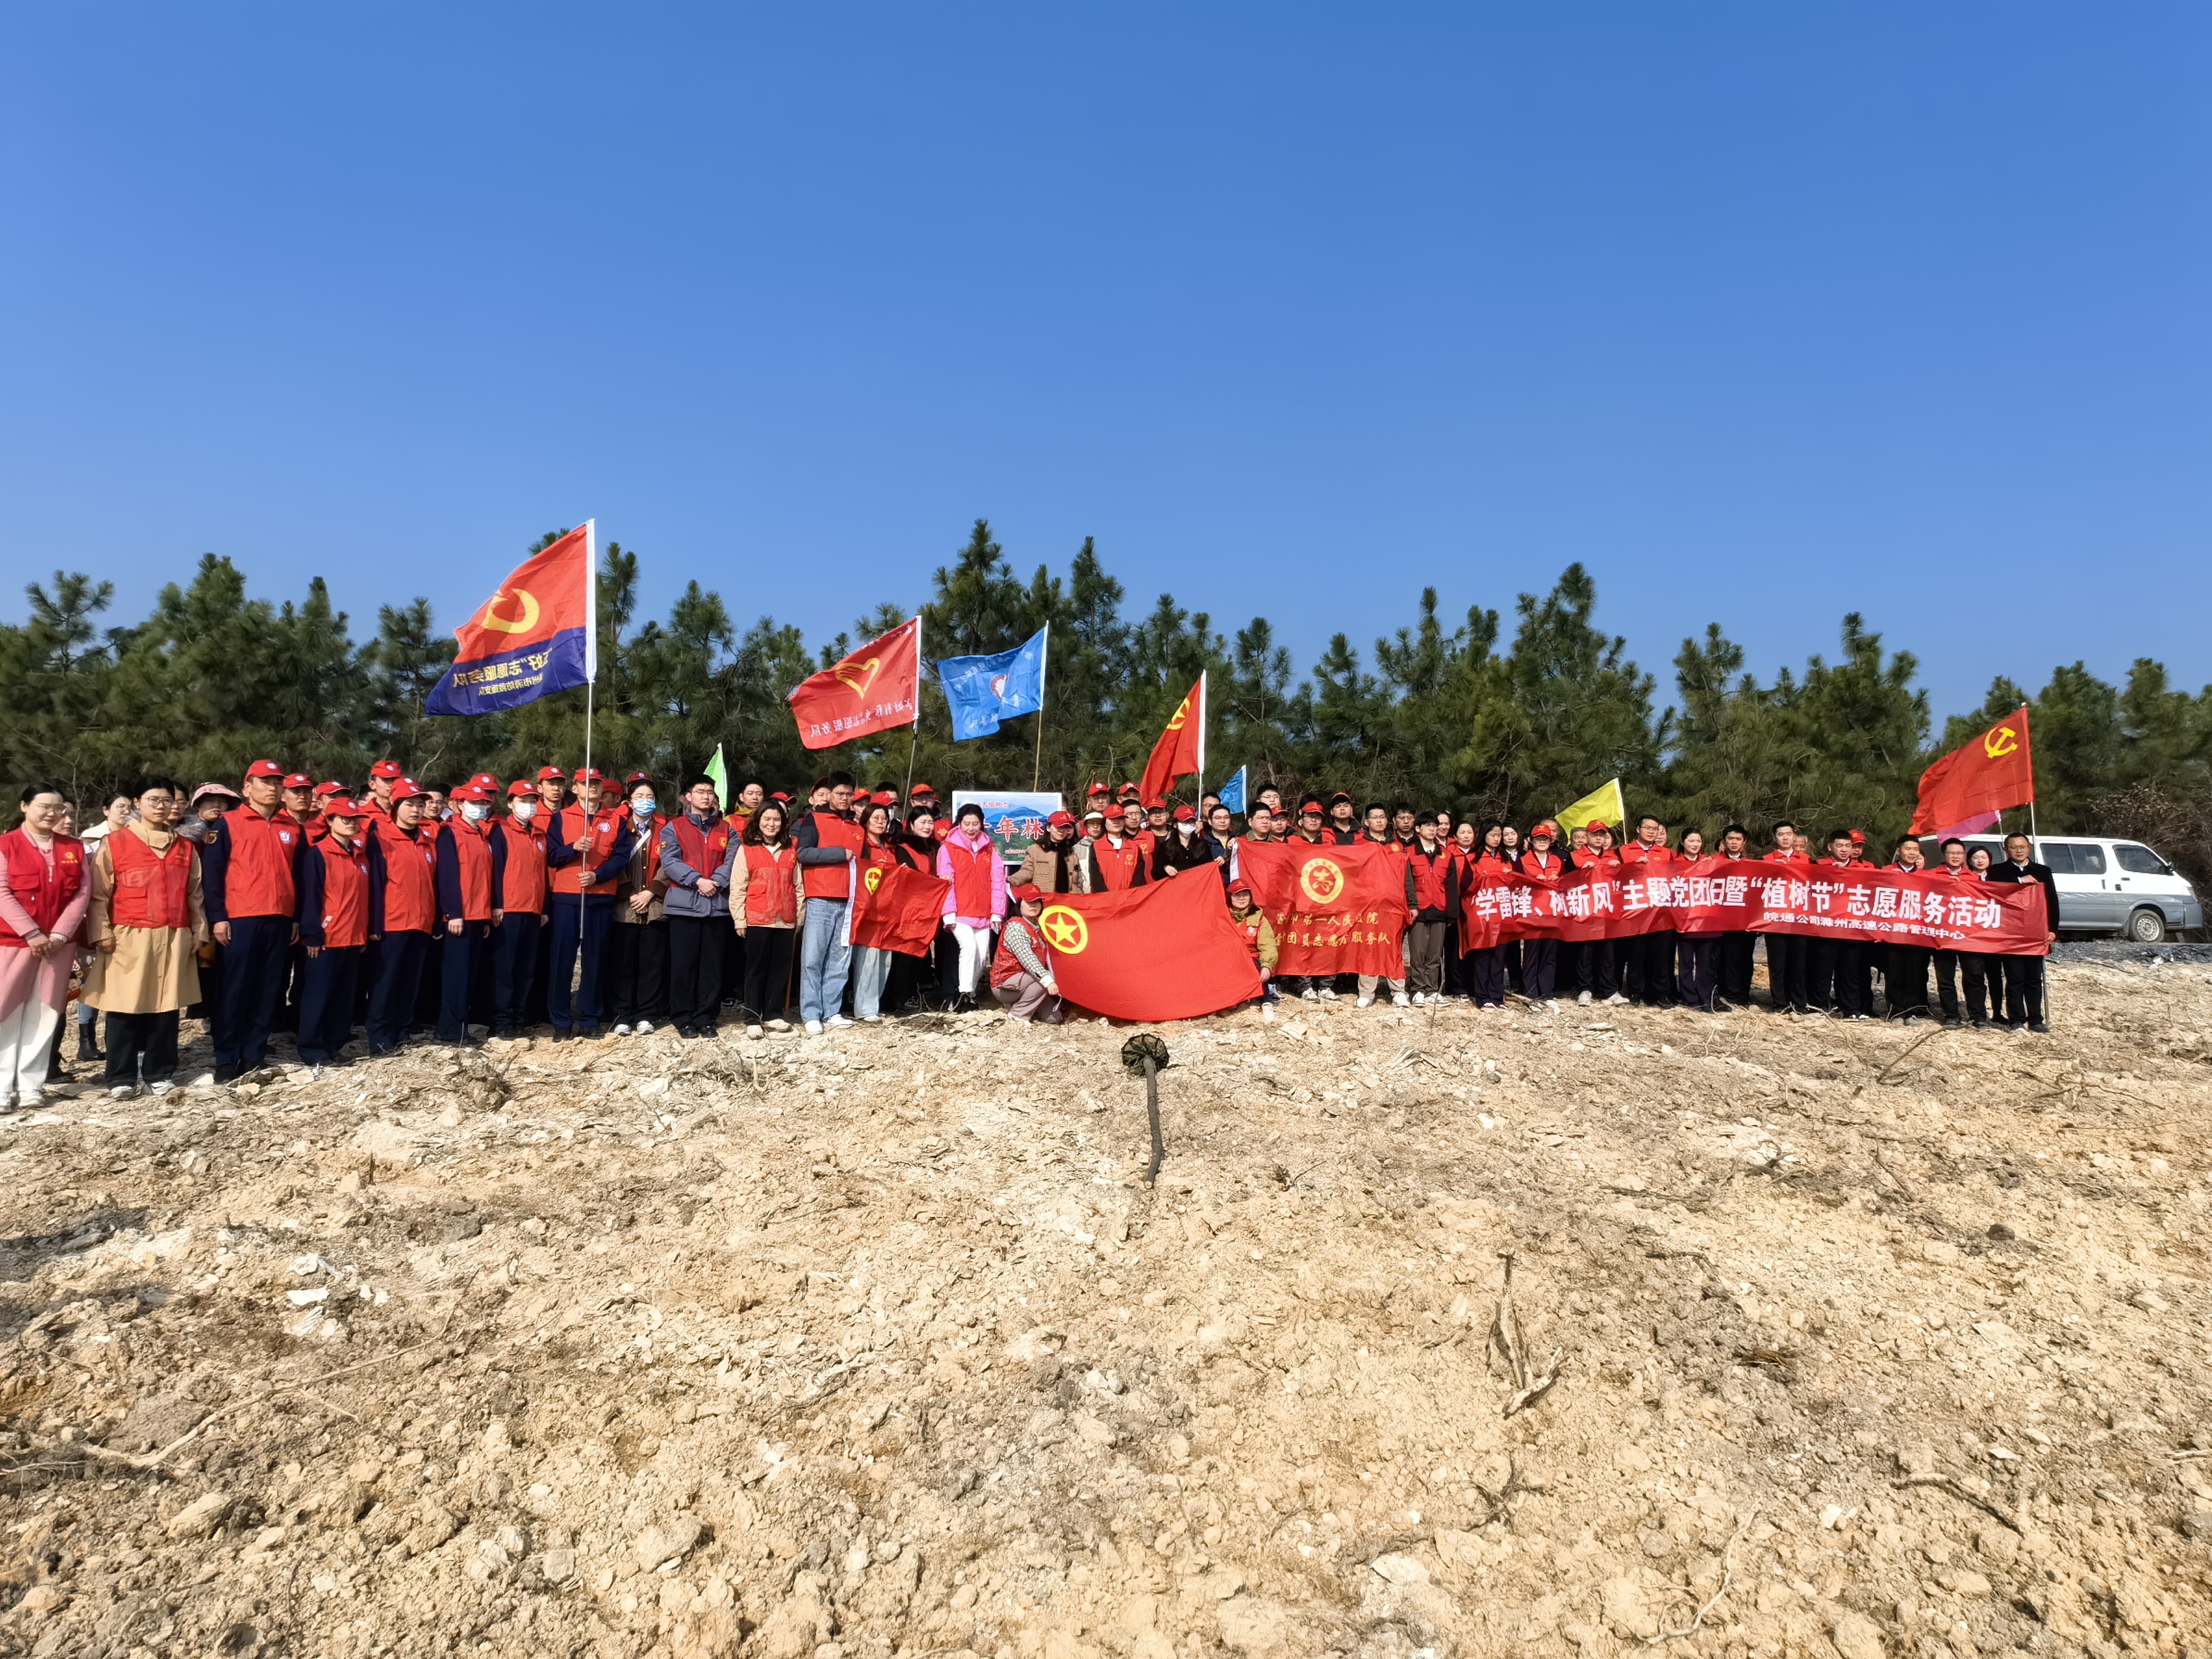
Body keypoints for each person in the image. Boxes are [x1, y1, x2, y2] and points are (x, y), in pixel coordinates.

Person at [82, 777, 204, 1097]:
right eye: (154, 800)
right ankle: (121, 1077)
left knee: (167, 1005)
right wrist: (101, 931)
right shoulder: (116, 843)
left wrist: (199, 931)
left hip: (174, 933)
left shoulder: (185, 848)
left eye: (168, 801)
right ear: (138, 803)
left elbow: (194, 894)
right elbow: (99, 893)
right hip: (128, 934)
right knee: (124, 1006)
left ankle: (160, 1072)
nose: (162, 807)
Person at [199, 760, 307, 1082]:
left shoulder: (292, 827)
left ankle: (254, 1053)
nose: (273, 788)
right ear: (248, 788)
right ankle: (226, 1056)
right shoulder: (228, 824)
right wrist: (218, 917)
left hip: (280, 918)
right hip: (240, 918)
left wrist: (296, 917)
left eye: (277, 782)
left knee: (268, 989)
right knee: (234, 988)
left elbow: (300, 876)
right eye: (265, 782)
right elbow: (213, 875)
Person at [0, 785, 88, 1109]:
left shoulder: (75, 848)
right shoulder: (6, 845)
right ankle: (2, 1086)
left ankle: (31, 1085)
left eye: (58, 808)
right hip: (14, 943)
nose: (52, 814)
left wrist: (61, 935)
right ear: (25, 807)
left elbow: (82, 894)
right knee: (6, 1010)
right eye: (44, 806)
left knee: (46, 1011)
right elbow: (2, 893)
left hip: (59, 946)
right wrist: (32, 933)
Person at [544, 768, 632, 1041]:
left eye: (596, 783)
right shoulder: (561, 818)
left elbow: (621, 856)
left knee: (595, 959)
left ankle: (590, 1018)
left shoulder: (615, 819)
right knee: (562, 960)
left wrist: (598, 876)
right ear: (575, 788)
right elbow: (551, 855)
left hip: (600, 896)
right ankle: (560, 1020)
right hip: (568, 896)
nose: (591, 787)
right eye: (585, 783)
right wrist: (573, 849)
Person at [296, 799, 378, 1068]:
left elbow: (364, 898)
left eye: (355, 819)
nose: (352, 824)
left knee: (343, 997)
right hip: (327, 937)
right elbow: (311, 896)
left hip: (353, 936)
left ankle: (334, 1045)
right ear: (330, 821)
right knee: (319, 996)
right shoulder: (319, 853)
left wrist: (363, 932)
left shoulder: (360, 854)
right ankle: (312, 1048)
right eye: (345, 819)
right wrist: (313, 933)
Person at [659, 773, 735, 1039]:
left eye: (710, 792)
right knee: (684, 965)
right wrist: (697, 881)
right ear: (688, 797)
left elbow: (732, 860)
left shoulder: (727, 829)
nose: (706, 796)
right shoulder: (674, 828)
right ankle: (683, 1017)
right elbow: (670, 862)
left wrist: (716, 881)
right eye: (700, 791)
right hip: (684, 905)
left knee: (712, 966)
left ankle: (706, 1017)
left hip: (716, 906)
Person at [365, 780, 438, 1054]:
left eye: (420, 805)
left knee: (410, 981)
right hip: (392, 922)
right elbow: (375, 884)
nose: (416, 810)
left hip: (421, 921)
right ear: (395, 806)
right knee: (386, 982)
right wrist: (374, 924)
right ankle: (380, 1036)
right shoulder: (381, 839)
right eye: (409, 804)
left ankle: (402, 1031)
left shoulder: (427, 841)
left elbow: (433, 882)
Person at [432, 784, 502, 1045]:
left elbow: (485, 877)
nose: (480, 808)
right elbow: (448, 876)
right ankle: (450, 1029)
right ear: (460, 805)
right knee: (457, 975)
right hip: (460, 917)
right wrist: (453, 913)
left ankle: (461, 1025)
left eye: (484, 803)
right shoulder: (450, 833)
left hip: (478, 914)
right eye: (475, 803)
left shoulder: (481, 834)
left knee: (470, 975)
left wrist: (485, 914)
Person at [795, 771, 864, 1036]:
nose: (845, 798)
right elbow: (804, 853)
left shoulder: (858, 828)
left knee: (840, 959)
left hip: (849, 901)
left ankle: (832, 1011)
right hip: (821, 897)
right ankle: (811, 1013)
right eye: (840, 794)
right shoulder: (814, 819)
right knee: (813, 958)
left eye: (849, 794)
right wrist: (838, 854)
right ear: (830, 795)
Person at [608, 776, 671, 1036]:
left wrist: (651, 892)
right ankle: (622, 1014)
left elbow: (670, 863)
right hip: (625, 906)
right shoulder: (619, 827)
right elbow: (611, 861)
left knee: (651, 963)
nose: (645, 802)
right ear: (630, 801)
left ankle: (646, 1014)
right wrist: (631, 893)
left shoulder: (665, 829)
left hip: (655, 905)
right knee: (623, 963)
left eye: (650, 797)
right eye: (639, 797)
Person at [731, 801, 799, 1036]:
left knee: (780, 970)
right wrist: (740, 919)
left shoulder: (791, 850)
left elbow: (798, 886)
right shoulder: (747, 849)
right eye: (767, 819)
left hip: (785, 919)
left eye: (777, 820)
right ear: (758, 821)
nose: (772, 824)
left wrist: (799, 917)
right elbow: (738, 887)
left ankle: (773, 1014)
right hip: (757, 918)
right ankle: (752, 1017)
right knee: (756, 969)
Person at [489, 782, 547, 1040]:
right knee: (505, 968)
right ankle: (502, 1020)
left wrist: (544, 907)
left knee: (526, 968)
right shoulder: (501, 831)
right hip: (509, 909)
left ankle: (519, 1018)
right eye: (523, 801)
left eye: (533, 801)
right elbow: (495, 869)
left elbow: (542, 873)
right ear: (511, 804)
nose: (529, 806)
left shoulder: (540, 835)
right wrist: (497, 903)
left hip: (533, 909)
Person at [936, 802, 1007, 1015]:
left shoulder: (990, 848)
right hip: (960, 912)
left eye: (975, 824)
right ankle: (964, 993)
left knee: (982, 955)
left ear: (981, 824)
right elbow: (946, 883)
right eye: (966, 823)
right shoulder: (948, 848)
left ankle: (970, 992)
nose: (971, 828)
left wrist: (997, 912)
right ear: (959, 823)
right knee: (968, 948)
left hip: (983, 913)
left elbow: (998, 881)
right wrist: (949, 913)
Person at [1984, 832, 2058, 1032]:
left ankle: (2036, 1019)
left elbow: (2052, 901)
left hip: (2036, 933)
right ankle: (2016, 1019)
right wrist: (2019, 881)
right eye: (2014, 847)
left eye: (2022, 847)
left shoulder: (2042, 871)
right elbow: (1993, 892)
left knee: (2034, 979)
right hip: (2011, 934)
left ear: (2029, 848)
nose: (2019, 850)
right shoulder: (1997, 871)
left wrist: (2052, 930)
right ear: (2006, 850)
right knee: (2015, 978)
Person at [849, 802, 907, 1023]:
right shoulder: (862, 846)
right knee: (868, 959)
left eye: (884, 818)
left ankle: (875, 1003)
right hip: (868, 910)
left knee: (885, 960)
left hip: (888, 910)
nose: (881, 822)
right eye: (876, 818)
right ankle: (864, 1008)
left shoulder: (889, 848)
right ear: (866, 821)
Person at [1807, 830, 1869, 1018]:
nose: (1844, 850)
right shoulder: (1819, 866)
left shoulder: (1864, 870)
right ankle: (1819, 1006)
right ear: (1830, 847)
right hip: (1826, 927)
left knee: (1850, 971)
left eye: (1848, 846)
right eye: (1840, 846)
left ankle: (1851, 1008)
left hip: (1852, 928)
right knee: (1823, 970)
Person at [1618, 815, 1677, 1008]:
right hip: (1636, 911)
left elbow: (1678, 877)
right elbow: (1615, 877)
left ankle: (1660, 993)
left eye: (1655, 829)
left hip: (1661, 912)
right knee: (1636, 953)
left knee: (1660, 955)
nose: (1652, 832)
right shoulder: (1624, 851)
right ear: (1638, 829)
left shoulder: (1667, 853)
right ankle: (1635, 991)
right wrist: (1631, 867)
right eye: (1648, 828)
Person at [1928, 838, 1987, 1027]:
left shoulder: (1974, 878)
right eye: (1951, 853)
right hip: (1943, 935)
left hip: (1969, 935)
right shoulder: (1931, 876)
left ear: (1964, 856)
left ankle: (1978, 1015)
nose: (1955, 857)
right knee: (1946, 978)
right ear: (1944, 855)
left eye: (1959, 853)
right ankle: (1951, 1015)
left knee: (1975, 976)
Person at [988, 885, 1063, 1024]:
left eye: (1037, 902)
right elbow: (1028, 960)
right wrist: (1049, 981)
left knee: (1054, 1018)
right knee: (1047, 977)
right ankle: (1018, 1015)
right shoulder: (1015, 927)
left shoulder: (1038, 927)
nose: (1033, 905)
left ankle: (1023, 1004)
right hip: (1005, 984)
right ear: (1019, 904)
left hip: (1028, 981)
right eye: (1029, 902)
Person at [1404, 812, 1455, 1006]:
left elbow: (1451, 886)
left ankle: (1432, 990)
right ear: (1418, 829)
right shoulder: (1409, 853)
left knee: (1434, 954)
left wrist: (1451, 913)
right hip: (1419, 909)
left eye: (1435, 826)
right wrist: (1411, 905)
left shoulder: (1446, 854)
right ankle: (1418, 989)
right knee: (1418, 953)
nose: (1432, 829)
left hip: (1439, 908)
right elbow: (1407, 882)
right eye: (1428, 826)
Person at [1760, 822, 1811, 1013]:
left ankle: (1798, 1002)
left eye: (1789, 834)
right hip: (1776, 920)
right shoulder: (1766, 860)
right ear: (1776, 838)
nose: (1786, 838)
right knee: (1777, 964)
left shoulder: (1806, 860)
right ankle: (1780, 1003)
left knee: (1799, 964)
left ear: (1794, 836)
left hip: (1799, 920)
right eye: (1781, 835)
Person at [1883, 835, 1934, 1019]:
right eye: (1908, 849)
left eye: (1915, 850)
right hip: (1893, 932)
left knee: (1914, 973)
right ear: (1899, 851)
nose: (1912, 853)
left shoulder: (1927, 877)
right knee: (1894, 972)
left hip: (1916, 933)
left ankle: (1911, 1011)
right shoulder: (1886, 872)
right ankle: (1895, 1011)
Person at [1514, 821, 1564, 1004]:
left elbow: (1566, 884)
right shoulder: (1523, 861)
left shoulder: (1557, 861)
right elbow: (1517, 883)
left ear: (1551, 841)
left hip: (1552, 912)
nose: (1542, 842)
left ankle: (1547, 992)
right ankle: (1531, 991)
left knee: (1549, 954)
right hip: (1532, 913)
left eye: (1545, 839)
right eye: (1538, 839)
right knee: (1531, 953)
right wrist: (1534, 880)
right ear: (1531, 841)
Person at [1576, 820, 1625, 1006]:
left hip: (1607, 912)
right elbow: (1567, 882)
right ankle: (1585, 989)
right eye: (1595, 834)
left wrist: (1619, 870)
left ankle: (1609, 990)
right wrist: (1581, 872)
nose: (1598, 838)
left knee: (1608, 953)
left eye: (1602, 835)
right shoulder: (1576, 857)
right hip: (1586, 912)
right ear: (1587, 836)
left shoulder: (1613, 857)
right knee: (1586, 953)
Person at [1671, 828, 1719, 1011]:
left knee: (1705, 963)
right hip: (1685, 921)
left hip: (1706, 921)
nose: (1695, 844)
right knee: (1686, 963)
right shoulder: (1675, 864)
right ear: (1683, 842)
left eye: (1698, 841)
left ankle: (1705, 996)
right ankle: (1689, 996)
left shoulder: (1709, 863)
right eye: (1691, 841)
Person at [1225, 876, 1279, 1018]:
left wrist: (1267, 966)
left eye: (1245, 894)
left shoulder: (1259, 918)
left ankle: (1266, 1002)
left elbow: (1268, 945)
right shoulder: (1223, 917)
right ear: (1230, 897)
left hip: (1251, 959)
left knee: (1258, 968)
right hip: (1229, 959)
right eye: (1237, 895)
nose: (1242, 898)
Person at [1714, 825, 1756, 1008]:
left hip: (1746, 920)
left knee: (1745, 957)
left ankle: (1743, 993)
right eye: (1730, 839)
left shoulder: (1753, 865)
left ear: (1744, 842)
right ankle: (1727, 992)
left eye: (1738, 839)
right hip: (1721, 919)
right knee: (1726, 956)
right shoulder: (1714, 862)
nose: (1734, 842)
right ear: (1724, 842)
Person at [1012, 811, 1087, 895]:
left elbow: (1076, 883)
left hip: (1068, 900)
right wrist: (1009, 881)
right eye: (1058, 827)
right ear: (1049, 828)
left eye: (1065, 827)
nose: (1062, 830)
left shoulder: (1072, 854)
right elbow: (1026, 872)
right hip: (1044, 899)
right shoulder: (1035, 851)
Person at [1082, 809, 1151, 892]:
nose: (1117, 822)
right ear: (1105, 822)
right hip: (1104, 898)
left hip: (1130, 896)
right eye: (1112, 819)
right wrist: (1106, 896)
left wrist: (1130, 894)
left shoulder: (1134, 847)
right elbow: (1095, 877)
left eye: (1120, 819)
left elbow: (1138, 877)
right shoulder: (1096, 847)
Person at [1155, 805, 1214, 878]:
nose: (1188, 825)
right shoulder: (1166, 847)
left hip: (1198, 884)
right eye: (1185, 823)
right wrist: (1165, 868)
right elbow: (1156, 872)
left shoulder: (1203, 845)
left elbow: (1210, 868)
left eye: (1191, 822)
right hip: (1176, 884)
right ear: (1175, 825)